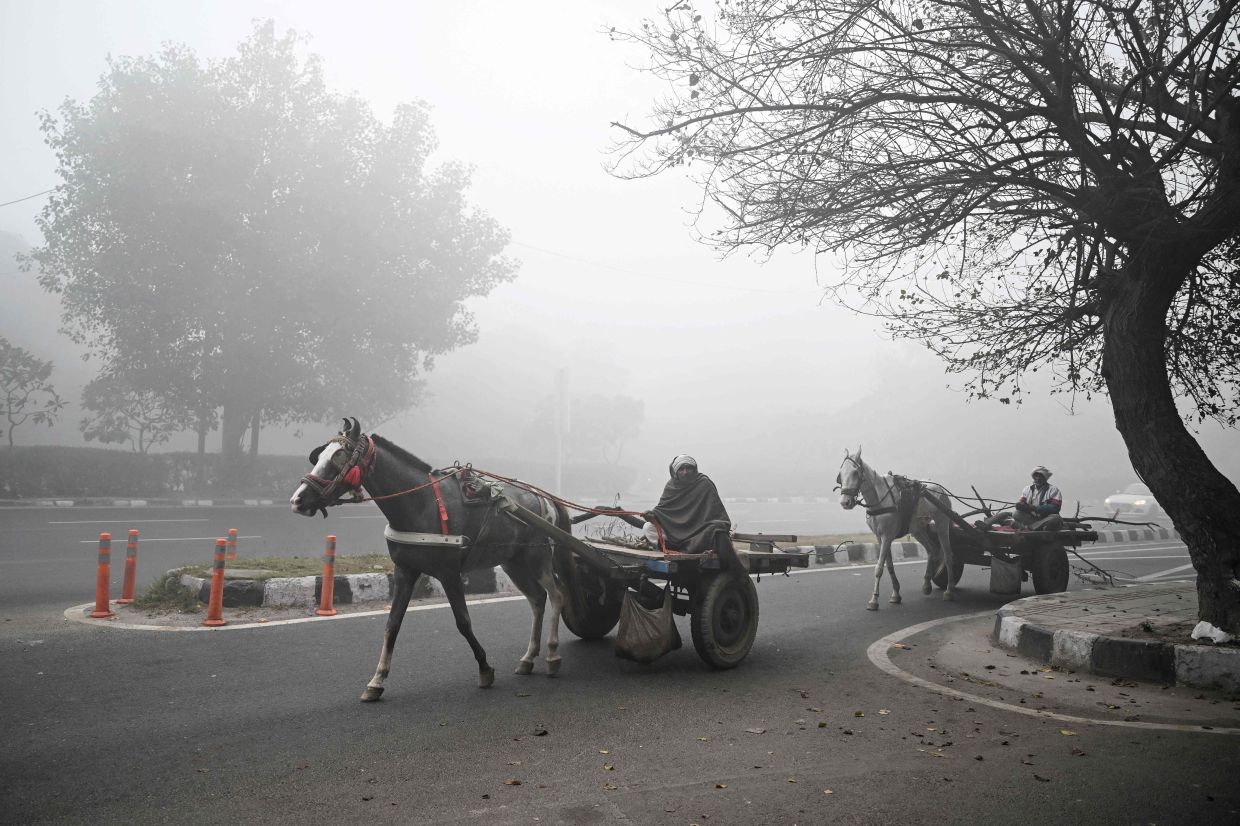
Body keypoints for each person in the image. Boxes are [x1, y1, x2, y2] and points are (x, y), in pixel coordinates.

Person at [639, 455, 732, 554]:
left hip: (698, 531)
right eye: (681, 469)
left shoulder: (704, 483)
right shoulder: (671, 486)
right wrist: (652, 515)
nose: (685, 472)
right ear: (675, 472)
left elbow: (717, 514)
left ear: (694, 469)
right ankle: (675, 547)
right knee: (648, 527)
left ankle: (684, 548)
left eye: (689, 468)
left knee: (716, 528)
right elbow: (662, 511)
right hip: (674, 532)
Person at [984, 465, 1064, 531]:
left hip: (1045, 519)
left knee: (1056, 518)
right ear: (1033, 477)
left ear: (1045, 478)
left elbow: (1055, 508)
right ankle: (985, 524)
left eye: (1041, 476)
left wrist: (1034, 508)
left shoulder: (1053, 489)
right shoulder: (1027, 489)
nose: (1038, 478)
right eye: (1036, 476)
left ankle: (1030, 527)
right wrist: (1020, 505)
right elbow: (1022, 503)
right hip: (1031, 519)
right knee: (1015, 513)